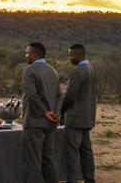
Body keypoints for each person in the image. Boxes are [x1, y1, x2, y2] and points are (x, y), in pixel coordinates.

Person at [20, 42, 61, 183]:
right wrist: (56, 113)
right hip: (51, 123)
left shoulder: (29, 70)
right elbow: (59, 95)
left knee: (32, 161)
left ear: (34, 54)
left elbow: (32, 95)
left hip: (34, 122)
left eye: (27, 53)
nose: (26, 56)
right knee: (48, 159)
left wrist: (45, 112)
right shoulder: (53, 71)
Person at [60, 43, 96, 183]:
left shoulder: (78, 72)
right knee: (86, 151)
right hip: (87, 118)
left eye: (71, 55)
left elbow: (70, 96)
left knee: (72, 152)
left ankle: (73, 180)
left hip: (75, 119)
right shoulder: (90, 69)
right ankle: (90, 179)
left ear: (80, 55)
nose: (69, 58)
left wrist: (61, 110)